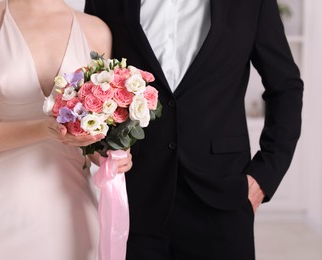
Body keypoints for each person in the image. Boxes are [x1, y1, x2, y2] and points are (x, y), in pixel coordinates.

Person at [85, 0, 303, 259]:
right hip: (137, 196)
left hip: (222, 194)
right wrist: (98, 147)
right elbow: (92, 79)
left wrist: (264, 177)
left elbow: (285, 87)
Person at [0, 0, 133, 259]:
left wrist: (109, 154)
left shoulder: (96, 30)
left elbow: (93, 140)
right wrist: (43, 129)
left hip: (71, 209)